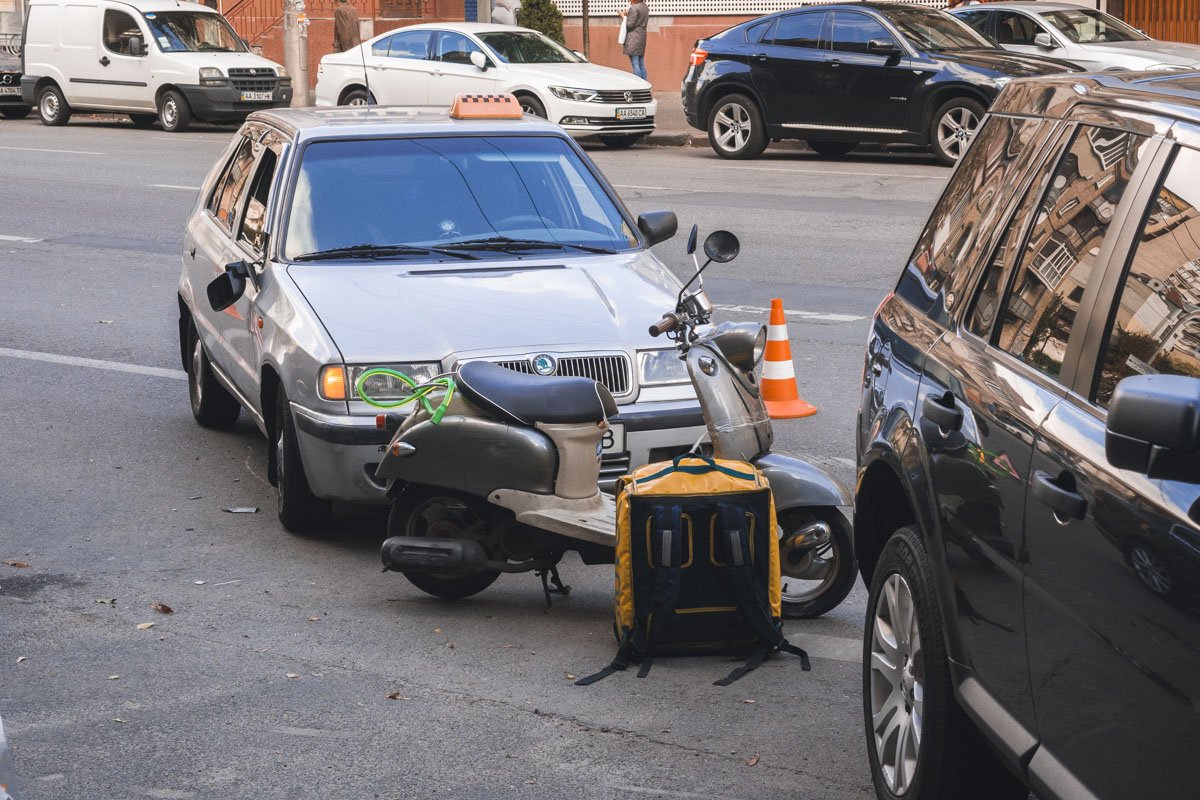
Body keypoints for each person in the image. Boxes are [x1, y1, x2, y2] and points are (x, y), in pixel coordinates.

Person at [619, 0, 648, 81]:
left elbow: (629, 25)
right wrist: (628, 15)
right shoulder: (645, 6)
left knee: (635, 64)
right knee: (641, 64)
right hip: (642, 37)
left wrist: (623, 17)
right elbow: (638, 20)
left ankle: (638, 85)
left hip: (633, 39)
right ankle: (645, 84)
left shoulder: (634, 8)